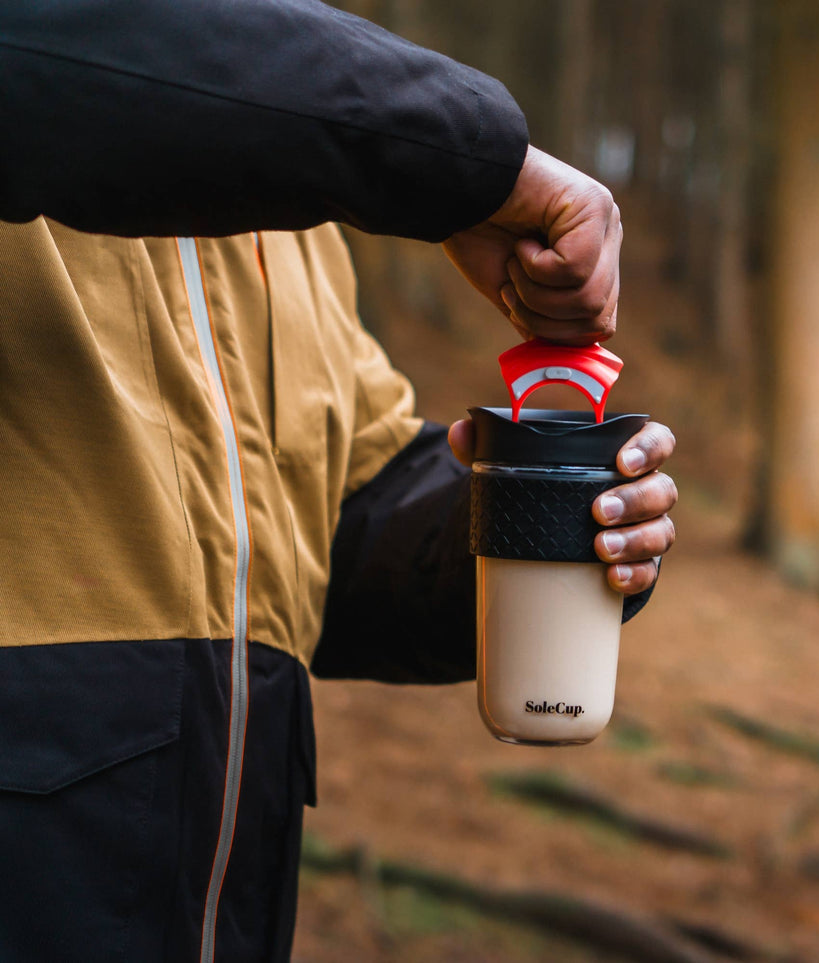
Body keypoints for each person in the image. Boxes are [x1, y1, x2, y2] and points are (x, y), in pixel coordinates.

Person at [0, 2, 677, 960]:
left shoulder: (285, 200)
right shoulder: (114, 65)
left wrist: (559, 519)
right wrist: (475, 167)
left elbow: (334, 522)